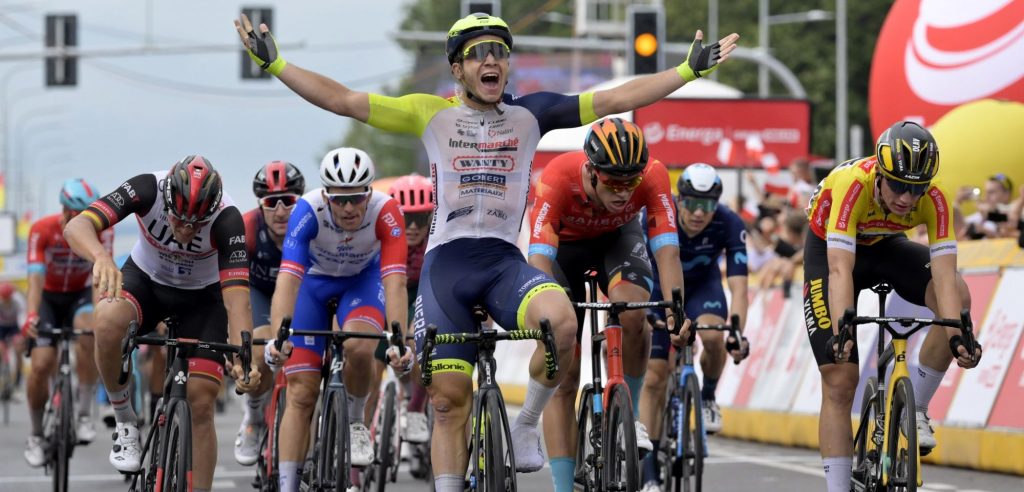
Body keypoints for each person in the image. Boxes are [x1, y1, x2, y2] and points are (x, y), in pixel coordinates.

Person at [236, 11, 738, 490]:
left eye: (498, 52)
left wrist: (687, 70)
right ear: (457, 68)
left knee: (561, 322)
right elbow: (344, 99)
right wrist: (277, 65)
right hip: (446, 269)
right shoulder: (429, 113)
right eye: (477, 55)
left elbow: (614, 98)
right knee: (450, 401)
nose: (490, 62)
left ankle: (525, 424)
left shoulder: (530, 114)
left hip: (502, 264)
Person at [802, 121, 983, 492]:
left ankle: (915, 410)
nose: (906, 198)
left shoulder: (934, 198)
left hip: (886, 246)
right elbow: (839, 269)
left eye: (916, 188)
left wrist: (956, 336)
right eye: (898, 185)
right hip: (831, 250)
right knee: (839, 379)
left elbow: (945, 278)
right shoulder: (853, 185)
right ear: (881, 174)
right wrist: (843, 330)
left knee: (958, 297)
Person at [63, 155, 262, 492]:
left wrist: (245, 358)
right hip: (147, 281)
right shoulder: (146, 189)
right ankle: (126, 422)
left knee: (201, 401)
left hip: (204, 298)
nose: (185, 230)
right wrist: (101, 257)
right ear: (167, 199)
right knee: (107, 318)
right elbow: (77, 225)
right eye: (179, 219)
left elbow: (236, 299)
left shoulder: (228, 219)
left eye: (196, 224)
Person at [526, 118, 685, 492]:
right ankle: (563, 487)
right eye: (613, 182)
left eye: (630, 182)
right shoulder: (559, 176)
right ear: (590, 171)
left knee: (632, 312)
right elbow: (538, 263)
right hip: (564, 252)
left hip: (618, 241)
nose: (622, 192)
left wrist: (676, 312)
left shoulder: (654, 176)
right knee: (563, 368)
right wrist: (547, 316)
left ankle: (627, 416)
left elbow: (667, 251)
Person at [263, 147, 414, 492]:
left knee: (360, 347)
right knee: (301, 393)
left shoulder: (386, 211)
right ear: (326, 194)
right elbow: (288, 278)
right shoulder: (308, 210)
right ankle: (288, 484)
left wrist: (398, 341)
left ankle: (357, 420)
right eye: (339, 199)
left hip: (362, 283)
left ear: (369, 192)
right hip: (313, 286)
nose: (348, 208)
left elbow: (395, 281)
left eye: (356, 198)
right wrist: (278, 337)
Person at [637, 163, 751, 492]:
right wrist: (645, 309)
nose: (699, 213)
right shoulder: (658, 213)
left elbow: (740, 288)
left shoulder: (729, 223)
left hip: (703, 288)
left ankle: (708, 396)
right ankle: (649, 471)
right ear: (679, 199)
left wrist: (738, 333)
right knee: (656, 377)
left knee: (716, 336)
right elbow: (639, 266)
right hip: (659, 288)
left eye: (707, 206)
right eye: (692, 204)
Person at [21, 179, 109, 466]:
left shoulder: (102, 230)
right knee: (41, 365)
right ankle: (35, 434)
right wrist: (32, 315)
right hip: (48, 297)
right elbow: (34, 278)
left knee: (88, 331)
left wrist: (100, 314)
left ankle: (83, 413)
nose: (88, 222)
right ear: (67, 211)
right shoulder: (42, 230)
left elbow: (99, 274)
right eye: (81, 215)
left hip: (80, 295)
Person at [233, 160, 306, 466]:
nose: (279, 210)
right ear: (260, 205)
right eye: (270, 202)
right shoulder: (247, 229)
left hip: (300, 293)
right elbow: (233, 290)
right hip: (259, 293)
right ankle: (253, 417)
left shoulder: (310, 226)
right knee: (262, 348)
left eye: (288, 201)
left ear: (299, 200)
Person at [387, 173, 433, 445]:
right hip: (391, 286)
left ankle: (415, 406)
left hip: (422, 288)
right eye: (406, 219)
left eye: (420, 219)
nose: (413, 227)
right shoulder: (384, 235)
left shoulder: (437, 237)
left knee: (419, 338)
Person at [955, 173, 1014, 240]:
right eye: (985, 192)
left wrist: (984, 230)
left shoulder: (1016, 212)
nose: (986, 196)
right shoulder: (978, 216)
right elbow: (957, 230)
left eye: (991, 192)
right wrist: (958, 202)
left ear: (1007, 194)